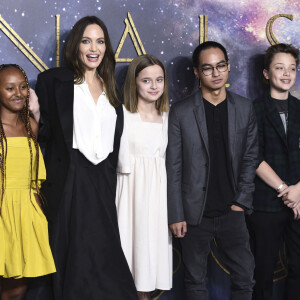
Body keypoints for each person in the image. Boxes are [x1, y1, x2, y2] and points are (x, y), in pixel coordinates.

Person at [35, 16, 138, 300]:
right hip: (69, 180)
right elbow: (43, 136)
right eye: (86, 40)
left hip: (102, 181)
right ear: (75, 45)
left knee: (105, 259)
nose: (94, 48)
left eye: (100, 41)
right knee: (69, 259)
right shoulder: (53, 81)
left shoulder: (112, 89)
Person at [166, 41, 258, 300]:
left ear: (228, 67)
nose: (216, 73)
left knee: (244, 279)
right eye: (208, 68)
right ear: (196, 72)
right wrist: (176, 213)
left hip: (233, 210)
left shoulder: (244, 108)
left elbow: (250, 158)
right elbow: (173, 166)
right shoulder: (181, 112)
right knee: (195, 282)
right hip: (195, 213)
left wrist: (241, 202)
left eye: (221, 66)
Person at [116, 54, 172, 300]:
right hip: (128, 195)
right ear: (134, 82)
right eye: (146, 80)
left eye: (159, 80)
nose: (154, 86)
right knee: (126, 258)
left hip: (157, 198)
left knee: (149, 262)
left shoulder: (169, 117)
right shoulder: (121, 115)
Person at [246, 43, 300, 300]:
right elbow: (253, 157)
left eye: (292, 68)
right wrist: (283, 189)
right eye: (280, 68)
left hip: (299, 201)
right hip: (266, 204)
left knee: (298, 270)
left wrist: (298, 190)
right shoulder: (252, 110)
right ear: (267, 73)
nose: (287, 74)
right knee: (263, 273)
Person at [0, 64, 55, 299]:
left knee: (19, 285)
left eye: (23, 87)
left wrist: (38, 216)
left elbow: (35, 178)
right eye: (9, 88)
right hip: (3, 210)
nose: (18, 93)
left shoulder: (31, 125)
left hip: (27, 211)